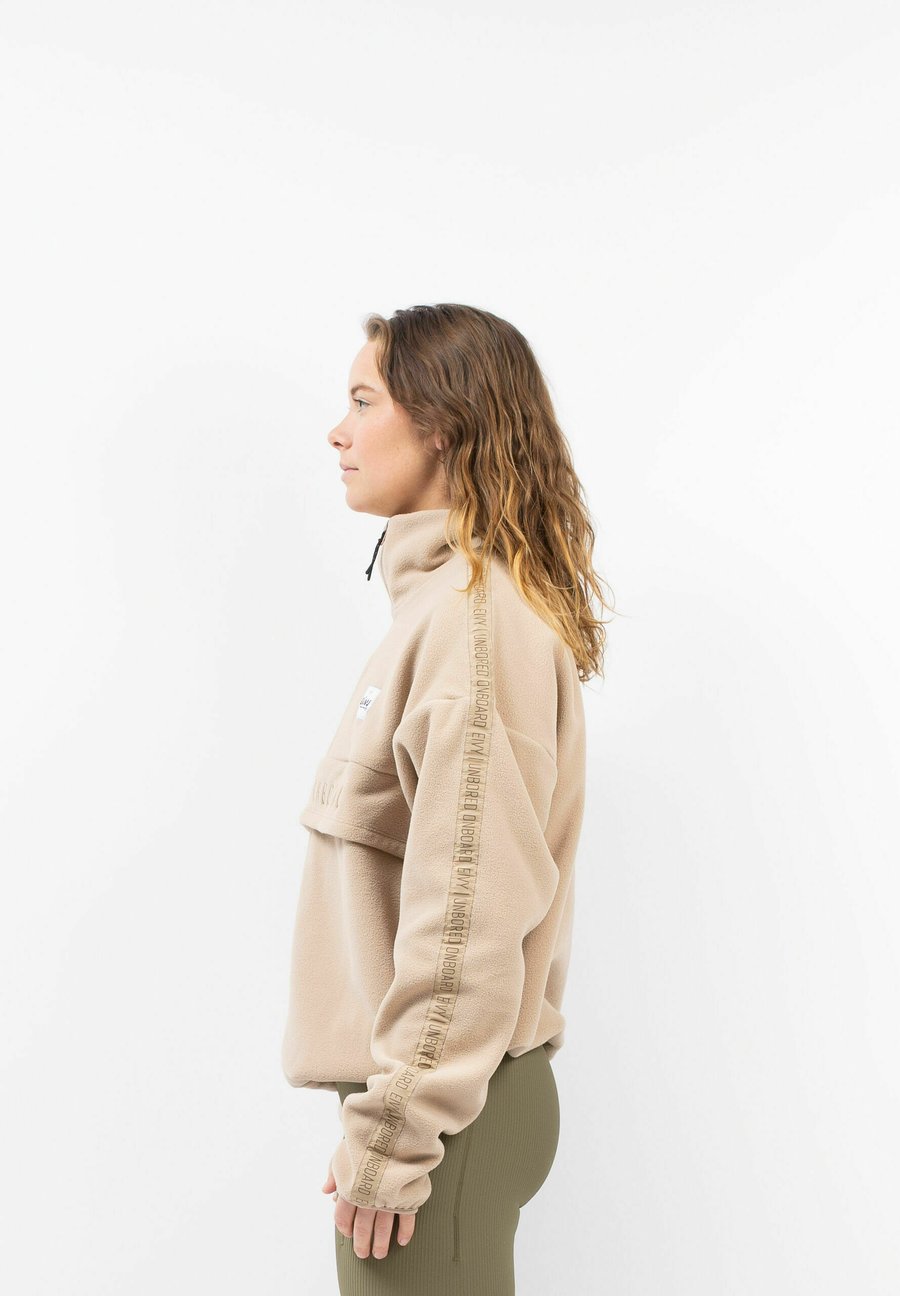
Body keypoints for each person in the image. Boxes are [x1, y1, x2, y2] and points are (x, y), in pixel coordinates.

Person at [281, 302, 612, 1294]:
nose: (337, 431)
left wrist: (397, 1131)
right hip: (446, 1105)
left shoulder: (472, 627)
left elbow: (467, 908)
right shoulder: (439, 614)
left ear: (441, 425)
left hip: (446, 1120)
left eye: (362, 401)